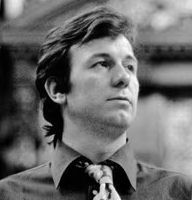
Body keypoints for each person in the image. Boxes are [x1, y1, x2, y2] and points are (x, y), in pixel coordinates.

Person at [0, 7, 192, 200]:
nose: (124, 77)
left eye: (130, 66)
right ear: (57, 89)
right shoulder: (9, 195)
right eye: (102, 63)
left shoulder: (181, 192)